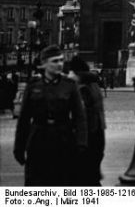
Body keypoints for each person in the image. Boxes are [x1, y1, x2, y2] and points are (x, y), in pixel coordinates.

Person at [14, 45, 88, 185]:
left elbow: (80, 117)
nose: (60, 64)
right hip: (38, 140)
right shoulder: (34, 85)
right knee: (36, 183)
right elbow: (24, 119)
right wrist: (19, 147)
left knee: (62, 183)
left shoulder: (70, 85)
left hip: (63, 140)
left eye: (61, 60)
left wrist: (81, 144)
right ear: (44, 64)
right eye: (55, 61)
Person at [67, 56, 106, 186]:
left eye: (71, 72)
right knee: (92, 177)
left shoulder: (82, 88)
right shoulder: (93, 84)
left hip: (88, 136)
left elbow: (81, 115)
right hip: (98, 133)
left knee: (83, 178)